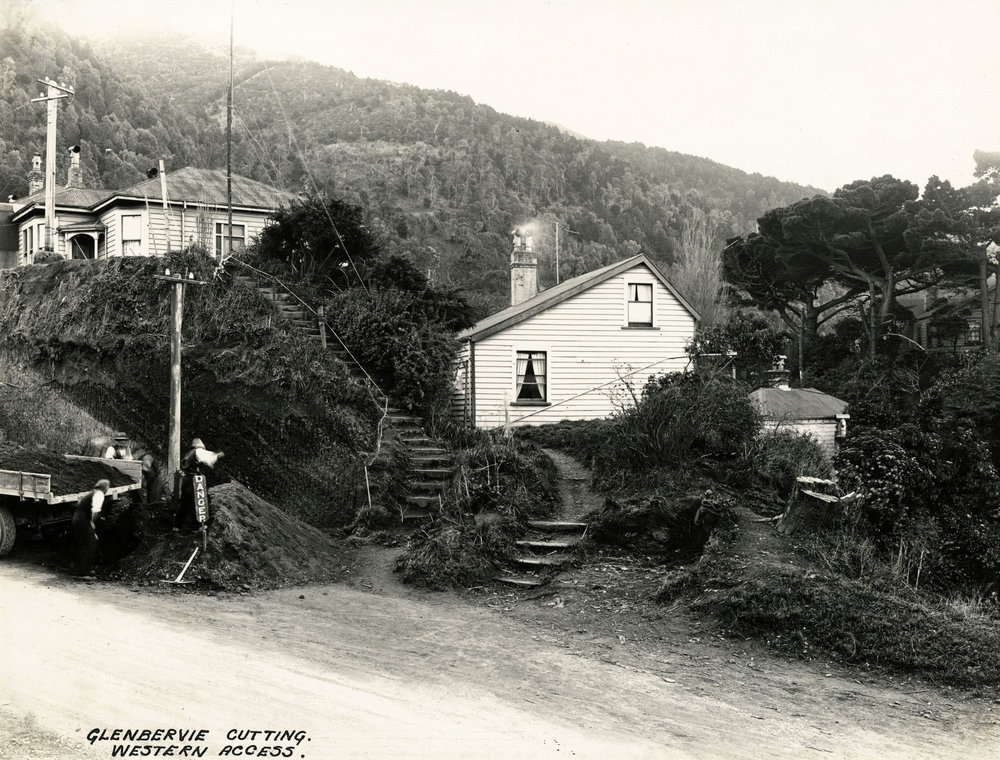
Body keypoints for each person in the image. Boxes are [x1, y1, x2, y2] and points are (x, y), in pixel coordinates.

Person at [173, 438, 224, 532]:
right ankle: (199, 526)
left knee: (184, 503)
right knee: (200, 502)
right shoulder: (198, 451)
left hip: (185, 480)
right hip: (195, 480)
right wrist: (218, 454)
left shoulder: (188, 453)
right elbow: (210, 457)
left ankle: (177, 526)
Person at [70, 479, 110, 576]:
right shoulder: (99, 494)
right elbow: (95, 510)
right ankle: (83, 571)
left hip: (78, 518)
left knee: (83, 543)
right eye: (108, 487)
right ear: (104, 488)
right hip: (82, 520)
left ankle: (78, 568)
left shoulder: (93, 492)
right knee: (91, 544)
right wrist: (92, 522)